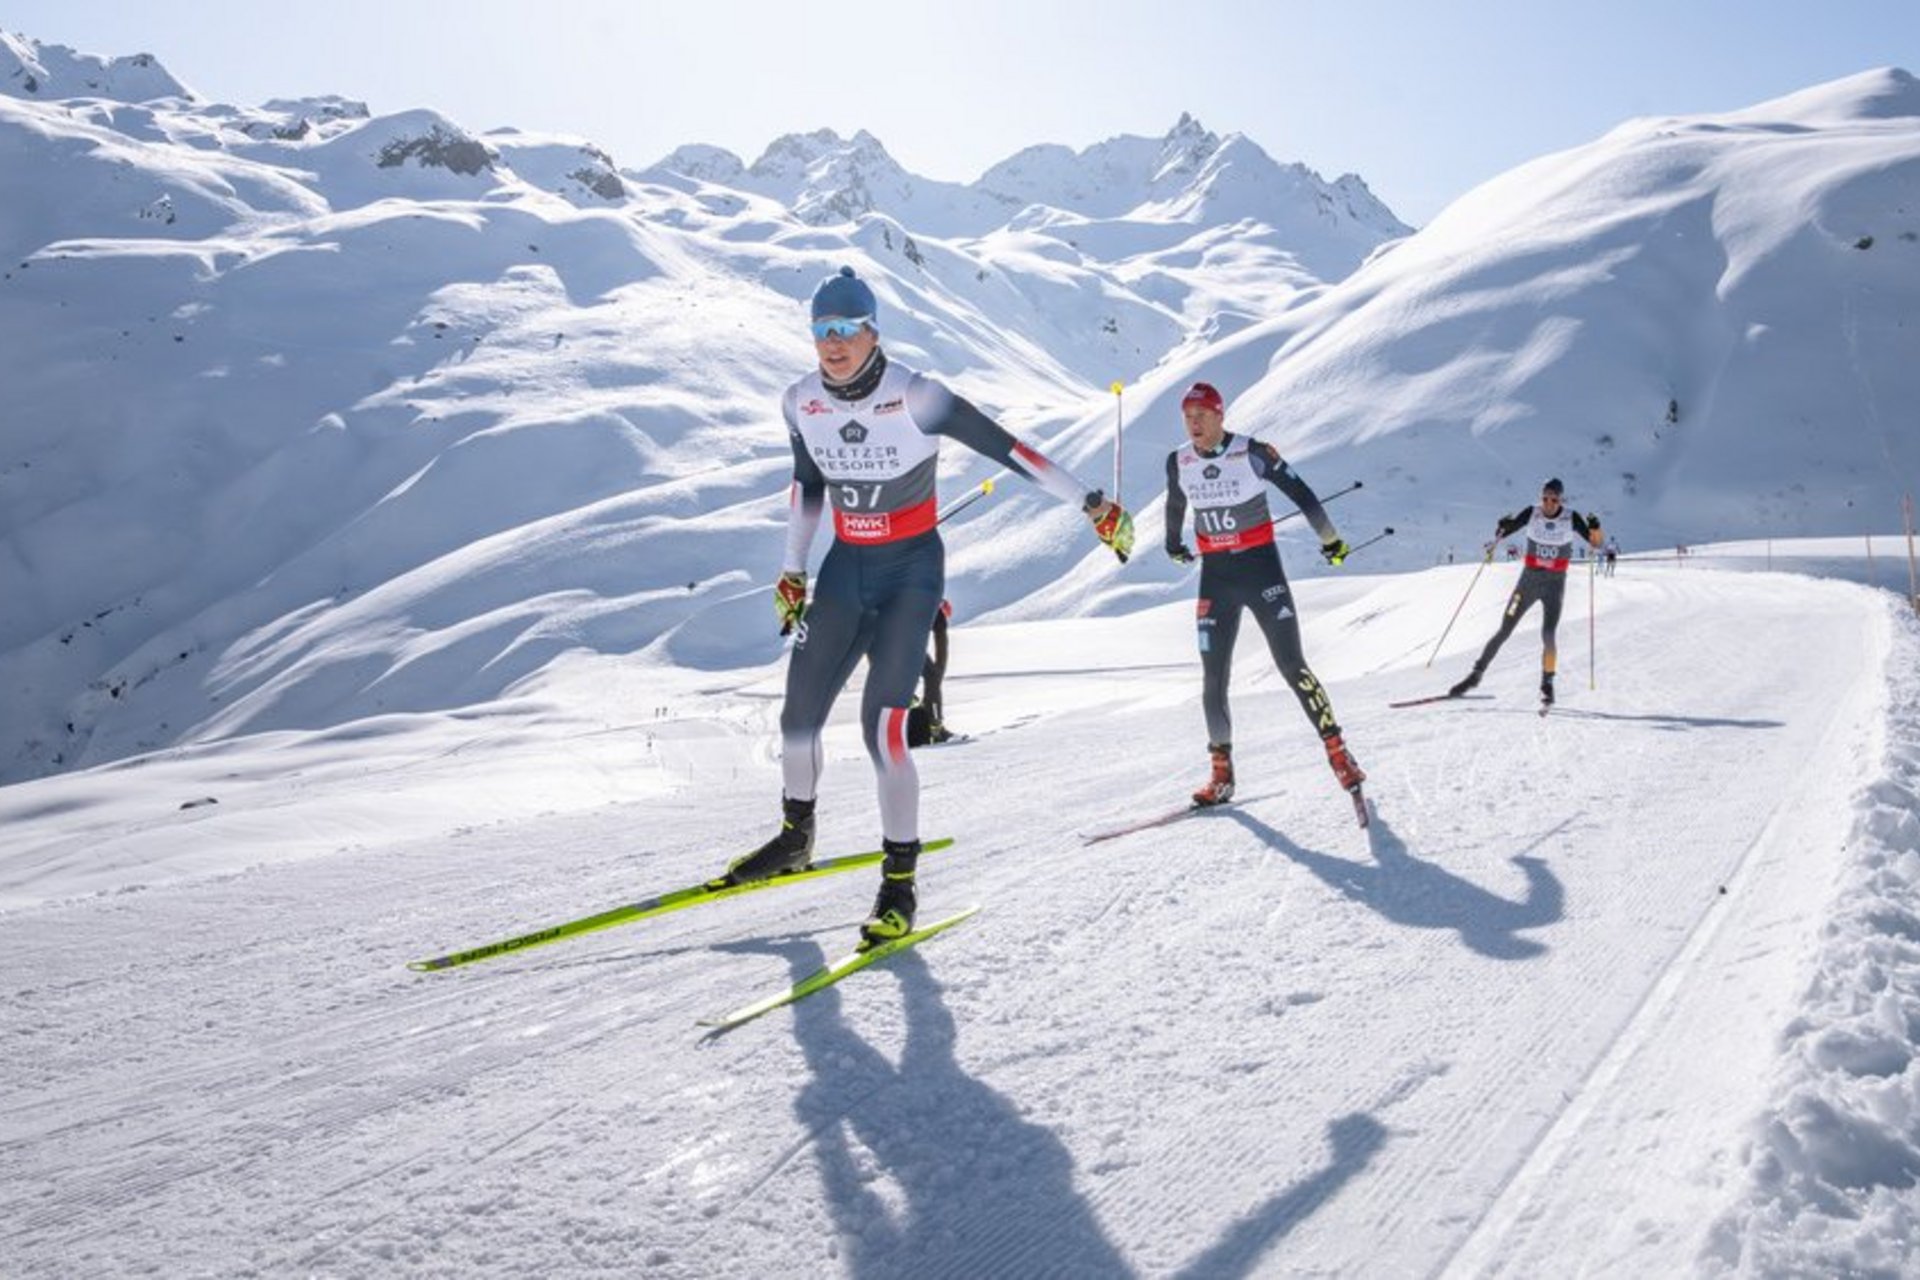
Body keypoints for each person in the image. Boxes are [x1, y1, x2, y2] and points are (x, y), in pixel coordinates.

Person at [714, 267, 1134, 946]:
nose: (833, 343)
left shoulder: (917, 395)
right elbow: (807, 486)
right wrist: (792, 571)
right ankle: (796, 837)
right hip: (845, 568)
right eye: (822, 331)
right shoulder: (800, 403)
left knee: (883, 729)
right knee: (797, 718)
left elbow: (1011, 449)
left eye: (846, 329)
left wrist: (1091, 503)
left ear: (873, 330)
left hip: (911, 572)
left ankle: (898, 887)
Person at [1162, 381, 1366, 812]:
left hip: (1261, 571)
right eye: (1187, 415)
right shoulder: (1178, 461)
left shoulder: (1253, 452)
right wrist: (1172, 542)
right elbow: (1177, 504)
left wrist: (1331, 540)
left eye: (1201, 414)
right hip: (1216, 578)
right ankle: (1221, 775)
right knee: (1213, 677)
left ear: (1220, 416)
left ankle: (1338, 752)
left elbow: (1302, 494)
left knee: (1292, 664)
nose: (1193, 422)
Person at [1447, 478, 1604, 706]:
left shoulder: (1571, 518)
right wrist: (1502, 525)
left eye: (1554, 499)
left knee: (1549, 635)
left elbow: (1596, 543)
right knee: (1504, 630)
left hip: (1554, 585)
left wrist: (1596, 528)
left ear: (1561, 499)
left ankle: (1547, 685)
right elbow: (1504, 532)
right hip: (1528, 583)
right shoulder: (1532, 513)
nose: (1549, 503)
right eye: (1545, 498)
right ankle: (1474, 676)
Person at [907, 600, 954, 745]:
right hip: (894, 640)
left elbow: (941, 655)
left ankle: (934, 728)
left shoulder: (933, 610)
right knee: (931, 676)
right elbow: (941, 656)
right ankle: (935, 729)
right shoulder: (934, 611)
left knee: (932, 676)